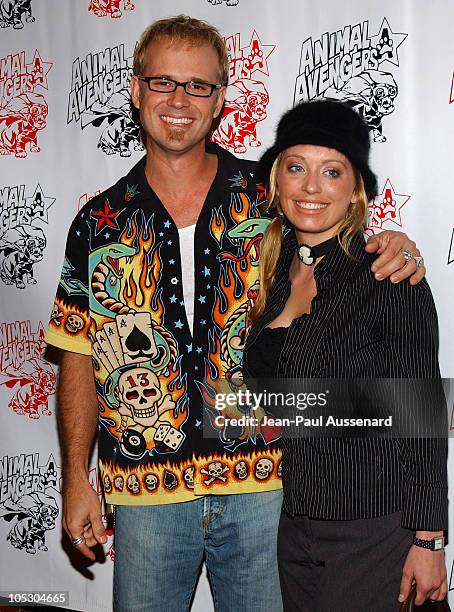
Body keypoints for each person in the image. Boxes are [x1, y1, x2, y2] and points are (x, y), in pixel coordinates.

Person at [45, 16, 427, 612]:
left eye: (198, 86)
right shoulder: (97, 223)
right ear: (136, 90)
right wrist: (75, 477)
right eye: (163, 82)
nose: (179, 100)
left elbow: (336, 221)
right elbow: (76, 353)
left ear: (221, 99)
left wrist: (396, 243)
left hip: (264, 489)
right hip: (146, 497)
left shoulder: (269, 196)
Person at [243, 99, 448, 612]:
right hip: (294, 527)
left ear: (354, 189)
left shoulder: (388, 276)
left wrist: (428, 540)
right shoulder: (274, 273)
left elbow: (420, 415)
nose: (311, 187)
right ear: (277, 180)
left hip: (375, 528)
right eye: (296, 167)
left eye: (331, 171)